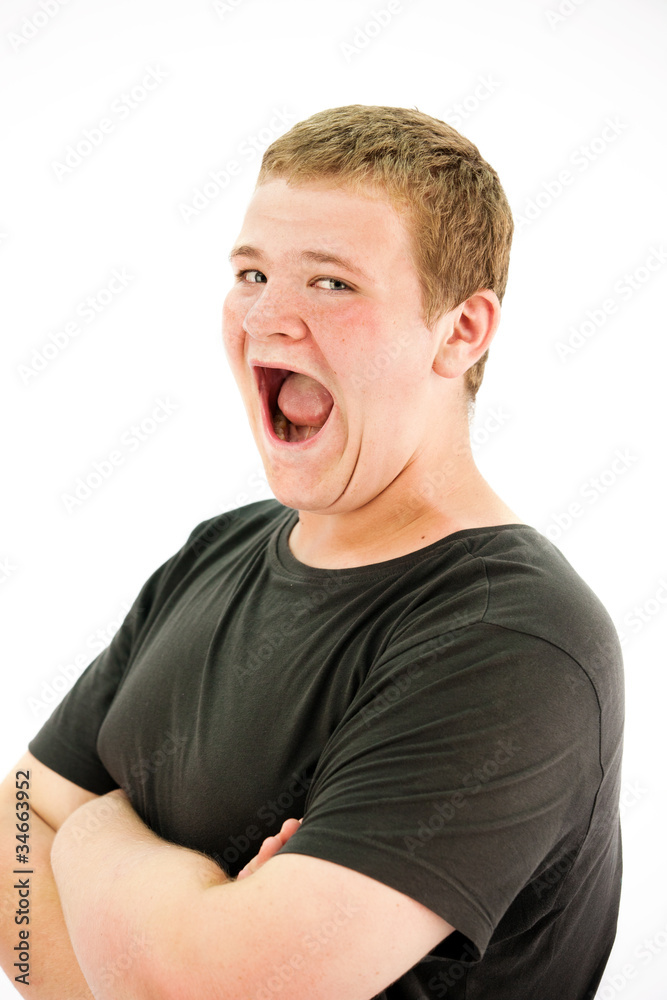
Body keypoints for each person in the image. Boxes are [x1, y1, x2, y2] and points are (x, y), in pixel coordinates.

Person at [0, 104, 623, 1000]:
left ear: (460, 331)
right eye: (251, 273)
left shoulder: (513, 641)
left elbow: (216, 990)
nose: (267, 317)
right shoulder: (218, 551)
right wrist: (158, 949)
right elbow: (14, 841)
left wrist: (95, 832)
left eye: (331, 283)